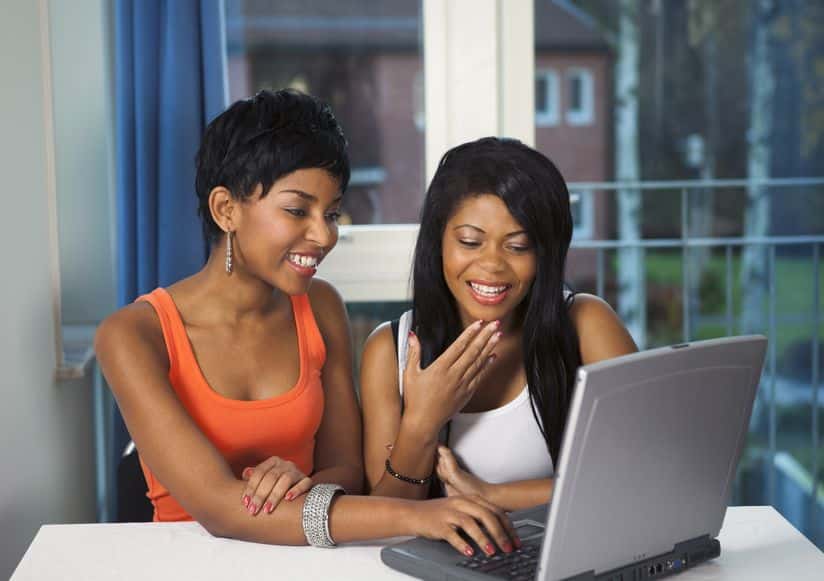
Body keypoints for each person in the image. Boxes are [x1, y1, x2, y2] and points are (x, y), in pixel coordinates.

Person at [95, 90, 517, 556]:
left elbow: (345, 469)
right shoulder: (132, 335)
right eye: (298, 210)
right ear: (225, 209)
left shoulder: (320, 306)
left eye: (332, 213)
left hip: (305, 562)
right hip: (184, 561)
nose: (323, 235)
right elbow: (220, 507)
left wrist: (303, 482)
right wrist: (421, 515)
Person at [360, 137, 638, 512]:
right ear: (438, 240)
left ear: (545, 254)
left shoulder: (587, 325)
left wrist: (492, 496)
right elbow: (382, 520)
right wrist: (421, 423)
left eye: (518, 246)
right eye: (470, 242)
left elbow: (639, 475)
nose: (492, 265)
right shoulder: (388, 350)